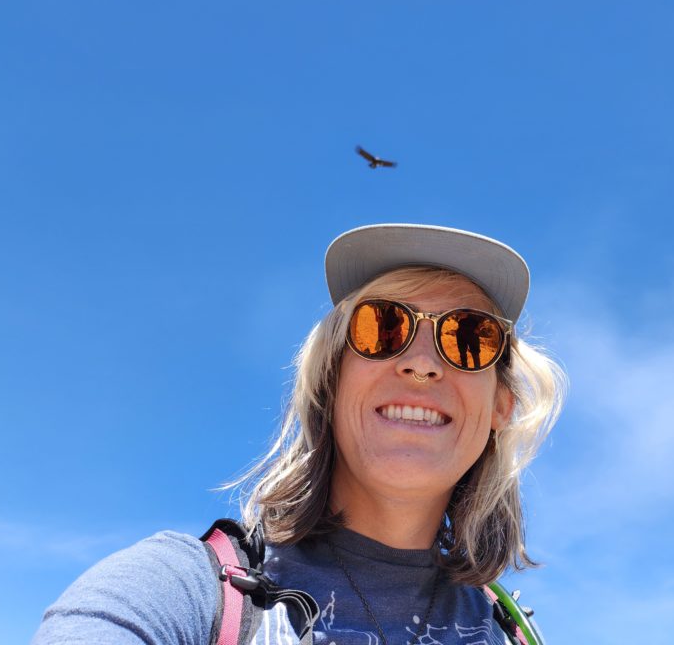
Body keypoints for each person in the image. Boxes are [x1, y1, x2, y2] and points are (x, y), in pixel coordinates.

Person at [33, 223, 567, 645]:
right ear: (331, 382)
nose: (422, 364)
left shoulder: (510, 630)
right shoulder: (182, 591)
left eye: (470, 338)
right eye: (382, 327)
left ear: (502, 406)